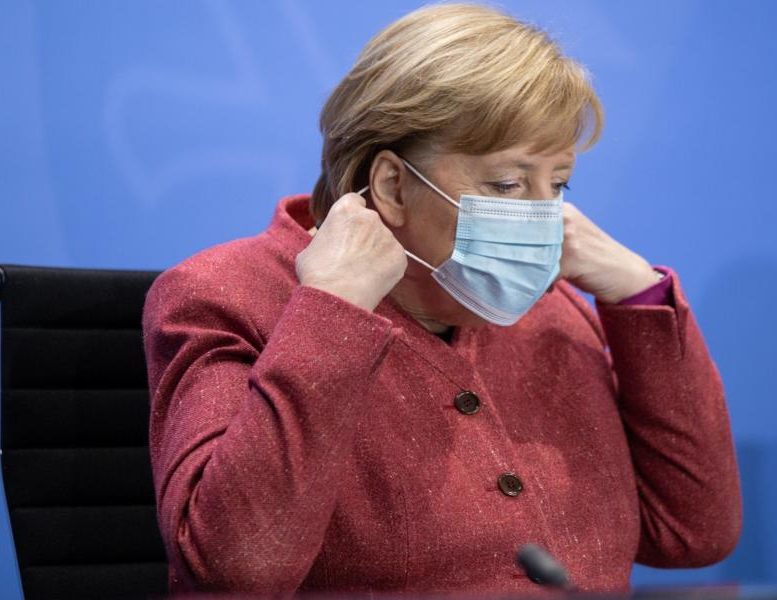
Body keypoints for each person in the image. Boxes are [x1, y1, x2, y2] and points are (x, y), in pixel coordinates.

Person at [142, 3, 741, 595]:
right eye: (508, 184)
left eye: (556, 184)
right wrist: (332, 312)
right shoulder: (226, 295)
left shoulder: (547, 309)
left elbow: (694, 532)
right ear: (393, 186)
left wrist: (639, 298)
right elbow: (239, 567)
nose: (542, 217)